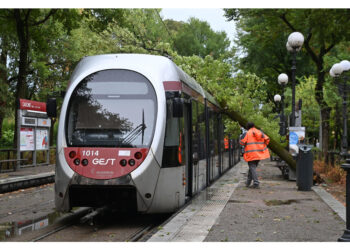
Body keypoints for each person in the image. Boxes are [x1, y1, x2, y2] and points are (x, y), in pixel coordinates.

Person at [240, 122, 270, 189]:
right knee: (252, 168)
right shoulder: (259, 132)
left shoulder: (247, 133)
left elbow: (242, 143)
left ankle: (256, 183)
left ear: (247, 127)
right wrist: (263, 146)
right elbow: (267, 139)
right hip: (259, 153)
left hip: (251, 154)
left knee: (252, 168)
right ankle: (248, 183)